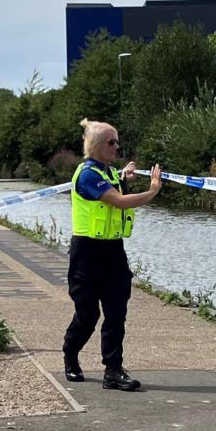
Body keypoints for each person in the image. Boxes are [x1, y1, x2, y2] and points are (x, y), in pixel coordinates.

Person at [62, 119, 162, 391]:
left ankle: (113, 370)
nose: (117, 146)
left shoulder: (107, 173)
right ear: (95, 146)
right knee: (87, 315)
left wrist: (124, 177)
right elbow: (117, 201)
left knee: (116, 312)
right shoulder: (87, 175)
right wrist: (152, 191)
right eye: (111, 142)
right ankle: (70, 355)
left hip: (113, 252)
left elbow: (115, 183)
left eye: (118, 141)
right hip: (87, 253)